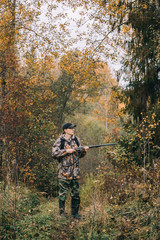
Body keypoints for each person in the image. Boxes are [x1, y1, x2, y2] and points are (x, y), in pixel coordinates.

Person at [52, 123, 89, 219]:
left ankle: (75, 214)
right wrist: (66, 151)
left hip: (75, 173)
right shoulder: (60, 141)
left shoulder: (77, 139)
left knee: (76, 194)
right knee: (62, 194)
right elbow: (54, 153)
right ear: (65, 130)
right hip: (64, 172)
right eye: (71, 128)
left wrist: (84, 151)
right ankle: (62, 214)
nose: (73, 130)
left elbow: (79, 156)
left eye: (73, 128)